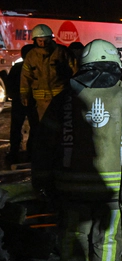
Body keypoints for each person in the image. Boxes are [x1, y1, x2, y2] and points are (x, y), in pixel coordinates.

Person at [38, 39, 122, 261]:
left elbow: (44, 142)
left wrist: (42, 180)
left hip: (69, 188)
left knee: (73, 237)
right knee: (106, 241)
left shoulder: (64, 99)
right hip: (113, 190)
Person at [21, 25, 74, 182]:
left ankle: (59, 159)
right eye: (39, 41)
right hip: (41, 103)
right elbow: (26, 77)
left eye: (45, 40)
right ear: (35, 41)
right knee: (44, 132)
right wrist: (24, 94)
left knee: (61, 131)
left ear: (51, 39)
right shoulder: (31, 56)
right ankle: (46, 161)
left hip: (60, 99)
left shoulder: (62, 53)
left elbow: (75, 70)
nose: (42, 44)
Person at [5, 43, 35, 167]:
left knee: (16, 126)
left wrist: (12, 95)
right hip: (32, 100)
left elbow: (10, 84)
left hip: (18, 101)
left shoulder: (17, 67)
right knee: (34, 125)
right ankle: (31, 150)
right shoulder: (35, 67)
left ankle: (14, 150)